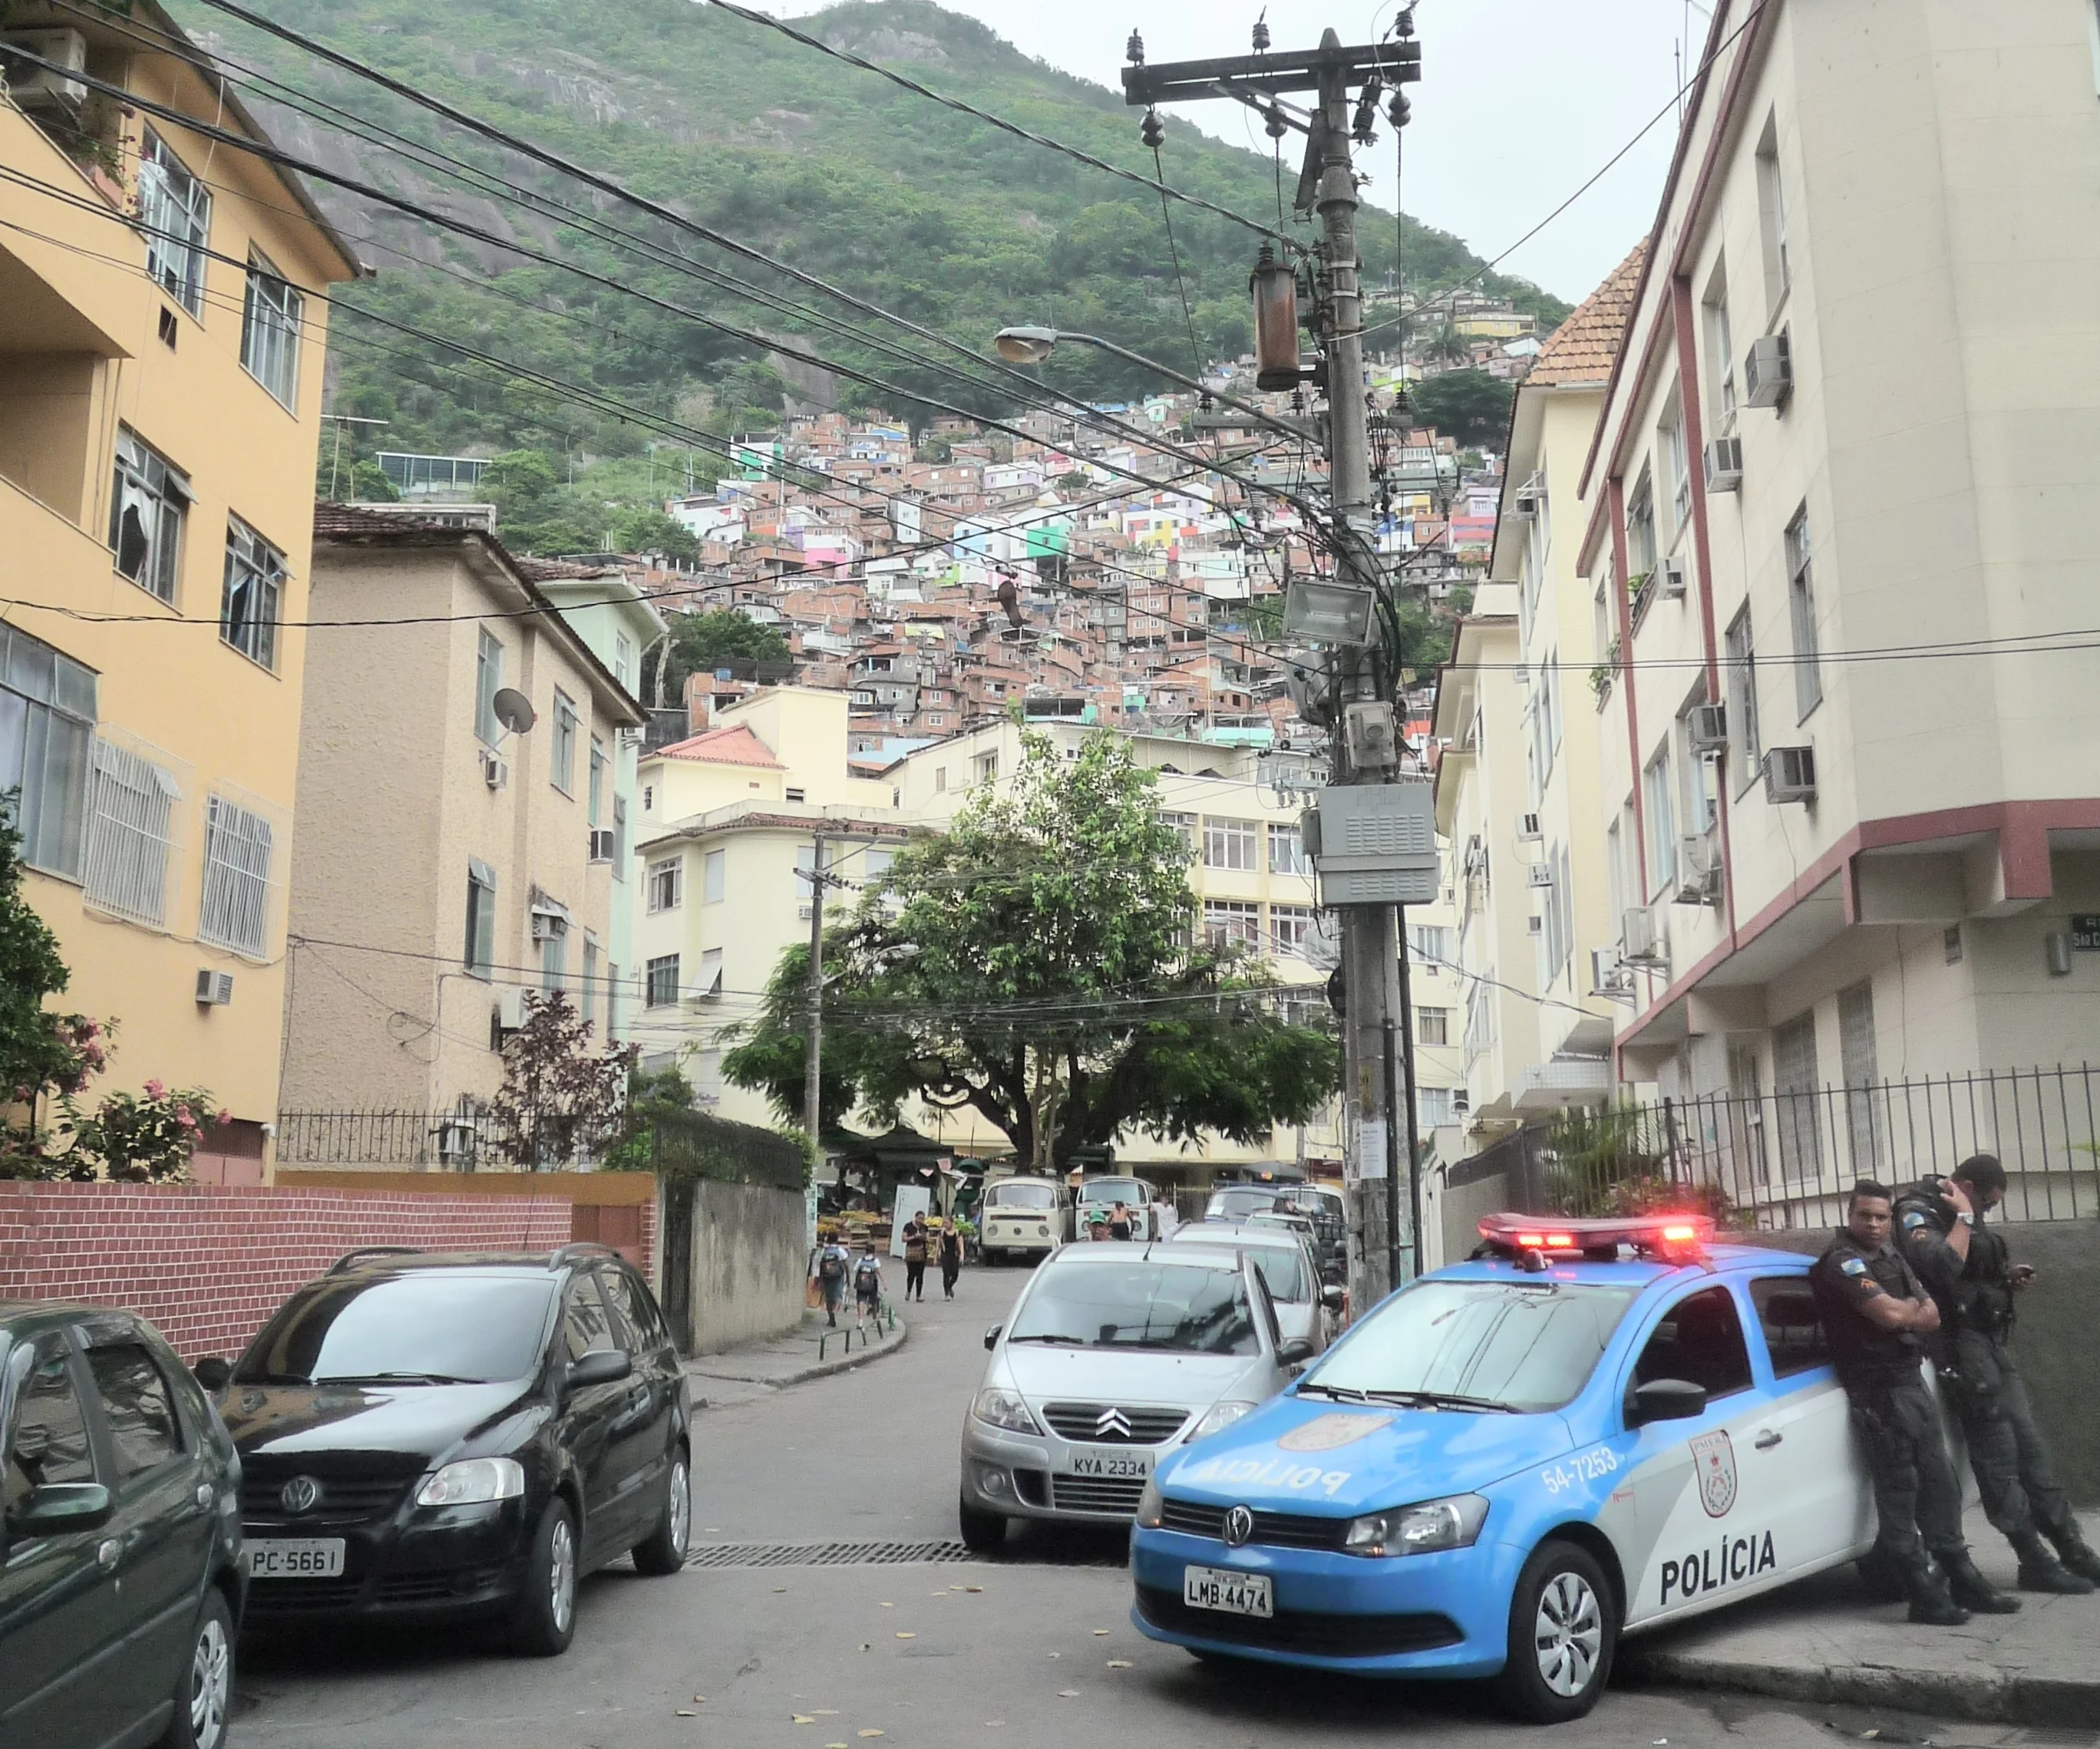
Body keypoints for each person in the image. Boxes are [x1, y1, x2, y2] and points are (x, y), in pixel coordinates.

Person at [1896, 1156, 2100, 1594]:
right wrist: (1966, 1217)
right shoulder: (1919, 1210)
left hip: (1989, 1344)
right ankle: (2032, 1558)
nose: (1986, 1210)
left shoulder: (1962, 1211)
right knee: (1999, 1458)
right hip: (1959, 1350)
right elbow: (1942, 1266)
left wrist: (2005, 1280)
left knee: (2031, 1449)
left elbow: (1969, 1276)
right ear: (1967, 1185)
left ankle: (2072, 1548)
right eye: (1985, 1201)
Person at [1808, 1180, 1976, 1625]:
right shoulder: (1842, 1262)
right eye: (1866, 1215)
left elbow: (1932, 1312)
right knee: (1900, 1487)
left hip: (1909, 1380)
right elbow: (1888, 1314)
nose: (1876, 1224)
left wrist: (1908, 1313)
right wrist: (1908, 1313)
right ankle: (1921, 1590)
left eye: (1883, 1217)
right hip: (1877, 1388)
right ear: (1849, 1215)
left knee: (1940, 1479)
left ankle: (1960, 1572)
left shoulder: (1890, 1255)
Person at [816, 1236, 850, 1328]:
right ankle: (835, 1312)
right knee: (838, 1297)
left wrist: (820, 1279)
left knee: (829, 1298)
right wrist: (848, 1278)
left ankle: (831, 1318)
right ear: (837, 1240)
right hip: (838, 1277)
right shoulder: (840, 1251)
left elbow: (821, 1265)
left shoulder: (824, 1251)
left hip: (827, 1276)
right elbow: (845, 1264)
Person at [852, 1241, 883, 1332]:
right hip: (872, 1285)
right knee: (873, 1301)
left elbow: (855, 1270)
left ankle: (861, 1321)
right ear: (874, 1251)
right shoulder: (875, 1261)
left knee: (861, 1302)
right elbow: (879, 1271)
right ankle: (874, 1318)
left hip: (861, 1284)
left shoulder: (860, 1260)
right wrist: (884, 1283)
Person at [902, 1217, 929, 1303]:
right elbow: (904, 1239)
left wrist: (922, 1236)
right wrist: (914, 1237)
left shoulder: (925, 1227)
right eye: (920, 1218)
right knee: (911, 1274)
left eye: (923, 1219)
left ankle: (918, 1295)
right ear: (916, 1217)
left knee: (920, 1275)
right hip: (911, 1253)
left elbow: (928, 1239)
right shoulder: (908, 1226)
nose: (921, 1221)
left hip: (922, 1253)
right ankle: (909, 1291)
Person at [939, 1220, 963, 1300]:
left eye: (947, 1223)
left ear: (952, 1223)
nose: (945, 1225)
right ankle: (947, 1294)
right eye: (944, 1223)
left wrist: (962, 1255)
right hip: (945, 1255)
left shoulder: (957, 1233)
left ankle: (950, 1286)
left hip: (954, 1255)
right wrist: (936, 1256)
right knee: (946, 1274)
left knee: (955, 1274)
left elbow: (961, 1244)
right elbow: (938, 1244)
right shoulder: (942, 1233)